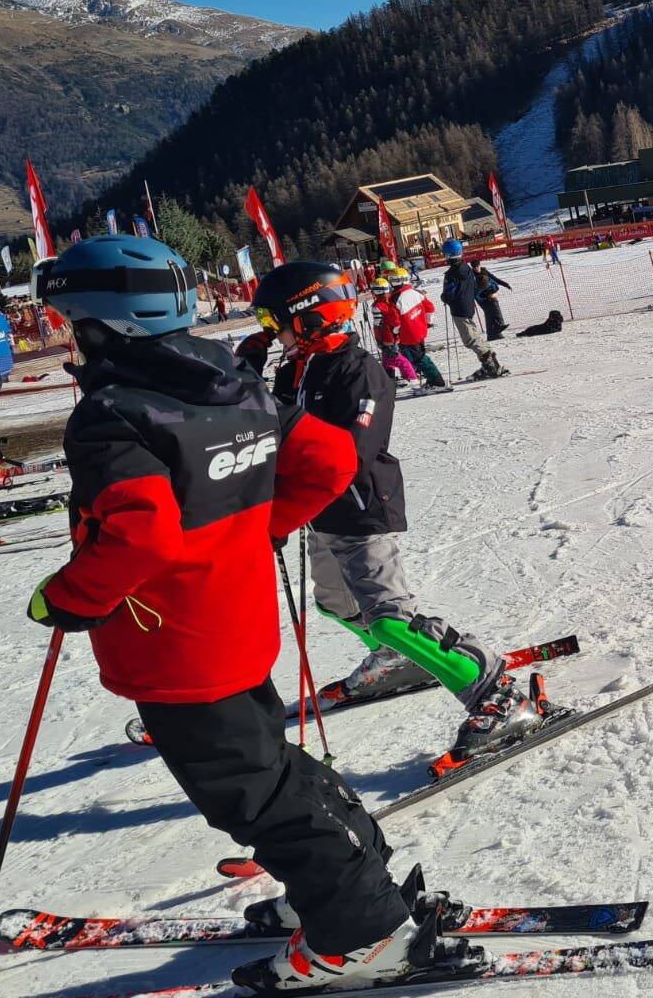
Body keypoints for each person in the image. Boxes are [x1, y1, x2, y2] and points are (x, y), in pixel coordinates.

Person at [25, 235, 439, 989]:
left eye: (67, 320)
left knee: (251, 794)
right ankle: (350, 883)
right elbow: (329, 459)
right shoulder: (228, 377)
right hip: (239, 625)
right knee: (271, 768)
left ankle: (362, 930)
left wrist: (67, 597)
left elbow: (141, 535)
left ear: (101, 322)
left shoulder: (115, 411)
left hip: (177, 648)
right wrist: (258, 527)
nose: (65, 334)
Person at [252, 262, 543, 760]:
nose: (271, 333)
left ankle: (492, 687)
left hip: (358, 510)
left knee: (387, 615)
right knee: (334, 603)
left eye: (271, 322)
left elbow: (351, 454)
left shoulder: (358, 370)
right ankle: (398, 657)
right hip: (317, 513)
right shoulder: (298, 367)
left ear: (309, 317)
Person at [439, 241, 507, 380]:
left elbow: (450, 294)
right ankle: (492, 363)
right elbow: (474, 286)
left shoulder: (451, 274)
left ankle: (490, 366)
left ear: (448, 255)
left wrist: (444, 297)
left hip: (459, 309)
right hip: (468, 306)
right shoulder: (466, 268)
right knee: (474, 335)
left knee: (469, 339)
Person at [386, 267, 448, 391]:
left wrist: (395, 332)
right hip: (420, 330)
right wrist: (428, 321)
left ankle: (437, 382)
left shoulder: (395, 298)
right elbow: (430, 307)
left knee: (419, 358)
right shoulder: (415, 292)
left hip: (408, 334)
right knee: (418, 356)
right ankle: (431, 379)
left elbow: (395, 321)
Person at [474, 264, 511, 338]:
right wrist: (485, 298)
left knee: (491, 313)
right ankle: (496, 330)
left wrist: (494, 293)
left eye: (477, 266)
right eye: (474, 267)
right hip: (482, 298)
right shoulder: (473, 279)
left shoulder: (486, 274)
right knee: (490, 312)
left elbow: (496, 283)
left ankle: (494, 333)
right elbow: (476, 296)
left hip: (490, 295)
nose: (476, 268)